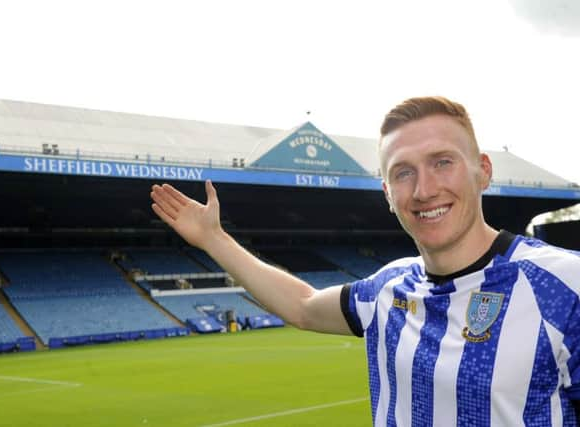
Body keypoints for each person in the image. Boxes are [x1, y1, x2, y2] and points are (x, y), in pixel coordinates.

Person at [150, 96, 580, 426]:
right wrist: (213, 238)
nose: (424, 189)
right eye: (402, 172)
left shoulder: (564, 285)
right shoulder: (389, 288)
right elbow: (302, 306)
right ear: (387, 193)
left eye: (442, 162)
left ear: (482, 170)